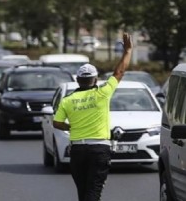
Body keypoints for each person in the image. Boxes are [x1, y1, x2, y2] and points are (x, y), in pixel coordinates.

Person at [53, 33, 132, 201]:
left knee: (83, 192)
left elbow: (57, 123)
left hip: (77, 151)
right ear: (95, 79)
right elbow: (119, 72)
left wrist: (71, 127)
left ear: (78, 80)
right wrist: (128, 51)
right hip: (99, 150)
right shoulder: (103, 93)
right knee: (93, 191)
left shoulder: (68, 100)